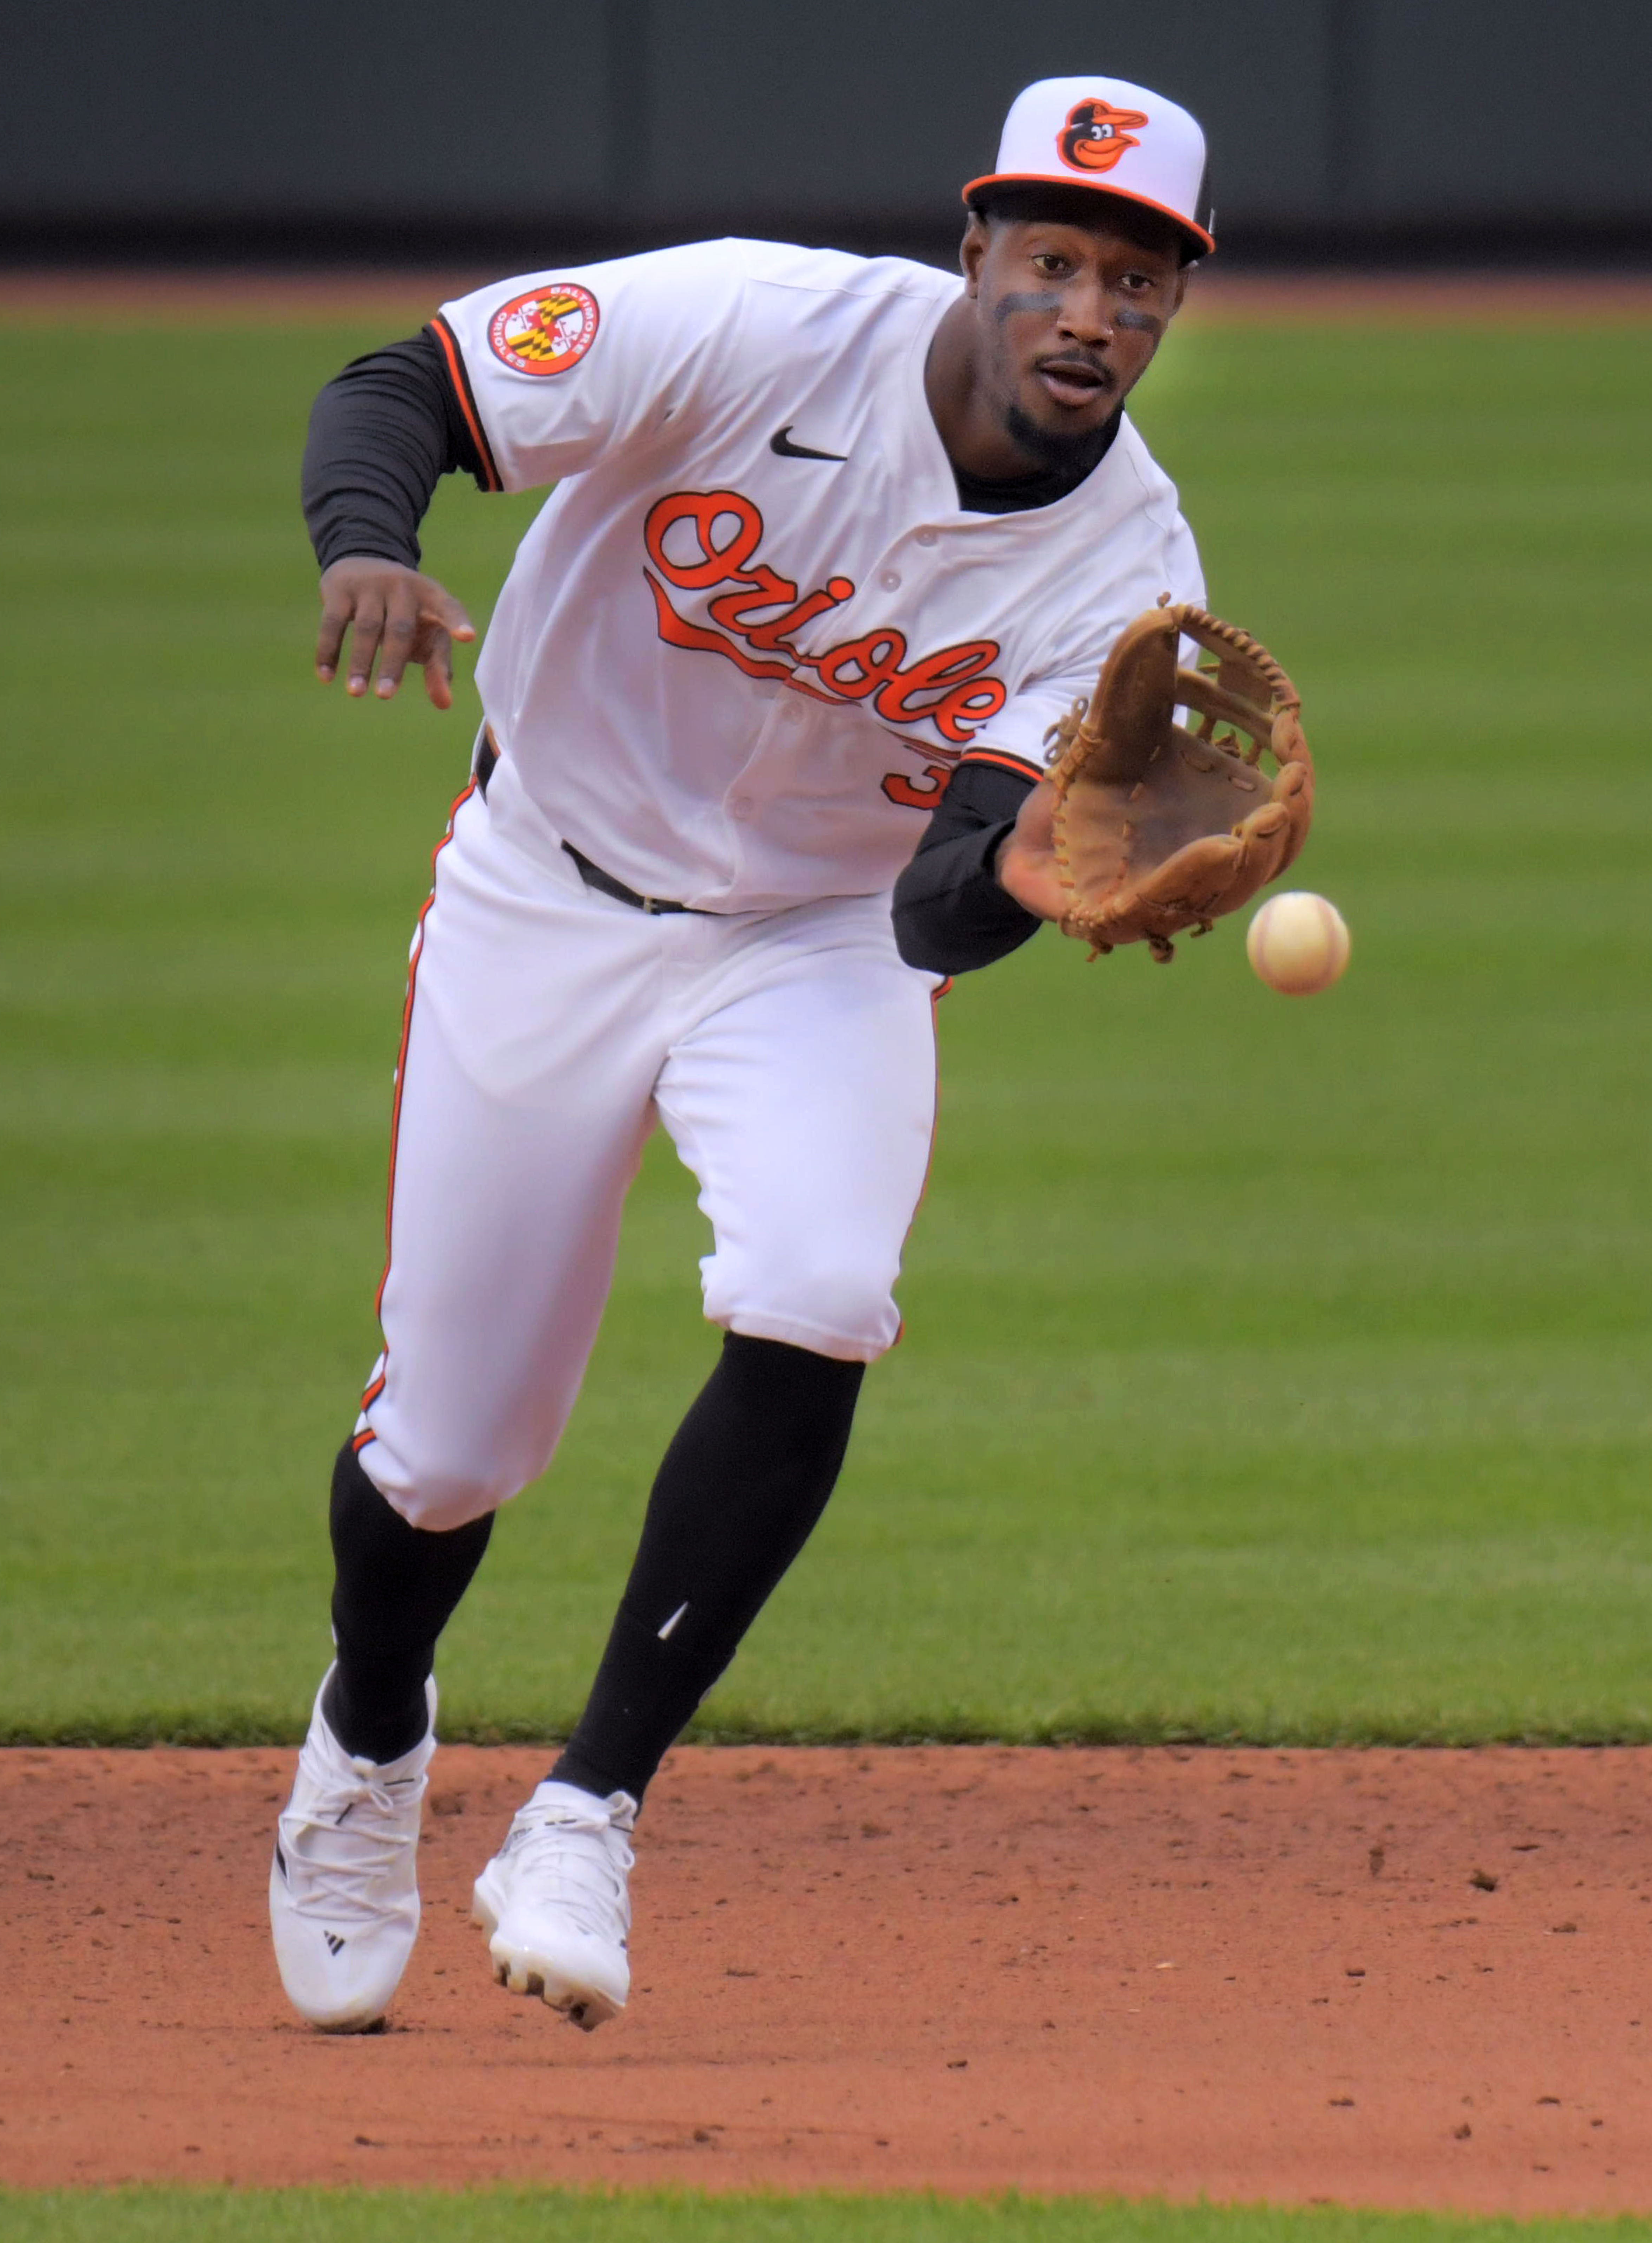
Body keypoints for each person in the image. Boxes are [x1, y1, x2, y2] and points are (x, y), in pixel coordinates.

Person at [269, 74, 1214, 2034]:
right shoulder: (748, 322)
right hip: (548, 881)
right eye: (1053, 261)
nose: (1087, 315)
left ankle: (588, 1810)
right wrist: (367, 543)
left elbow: (938, 908)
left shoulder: (1131, 581)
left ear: (1171, 308)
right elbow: (403, 388)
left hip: (818, 938)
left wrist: (1043, 873)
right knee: (451, 1451)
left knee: (818, 1285)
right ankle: (366, 1747)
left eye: (1135, 284)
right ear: (974, 251)